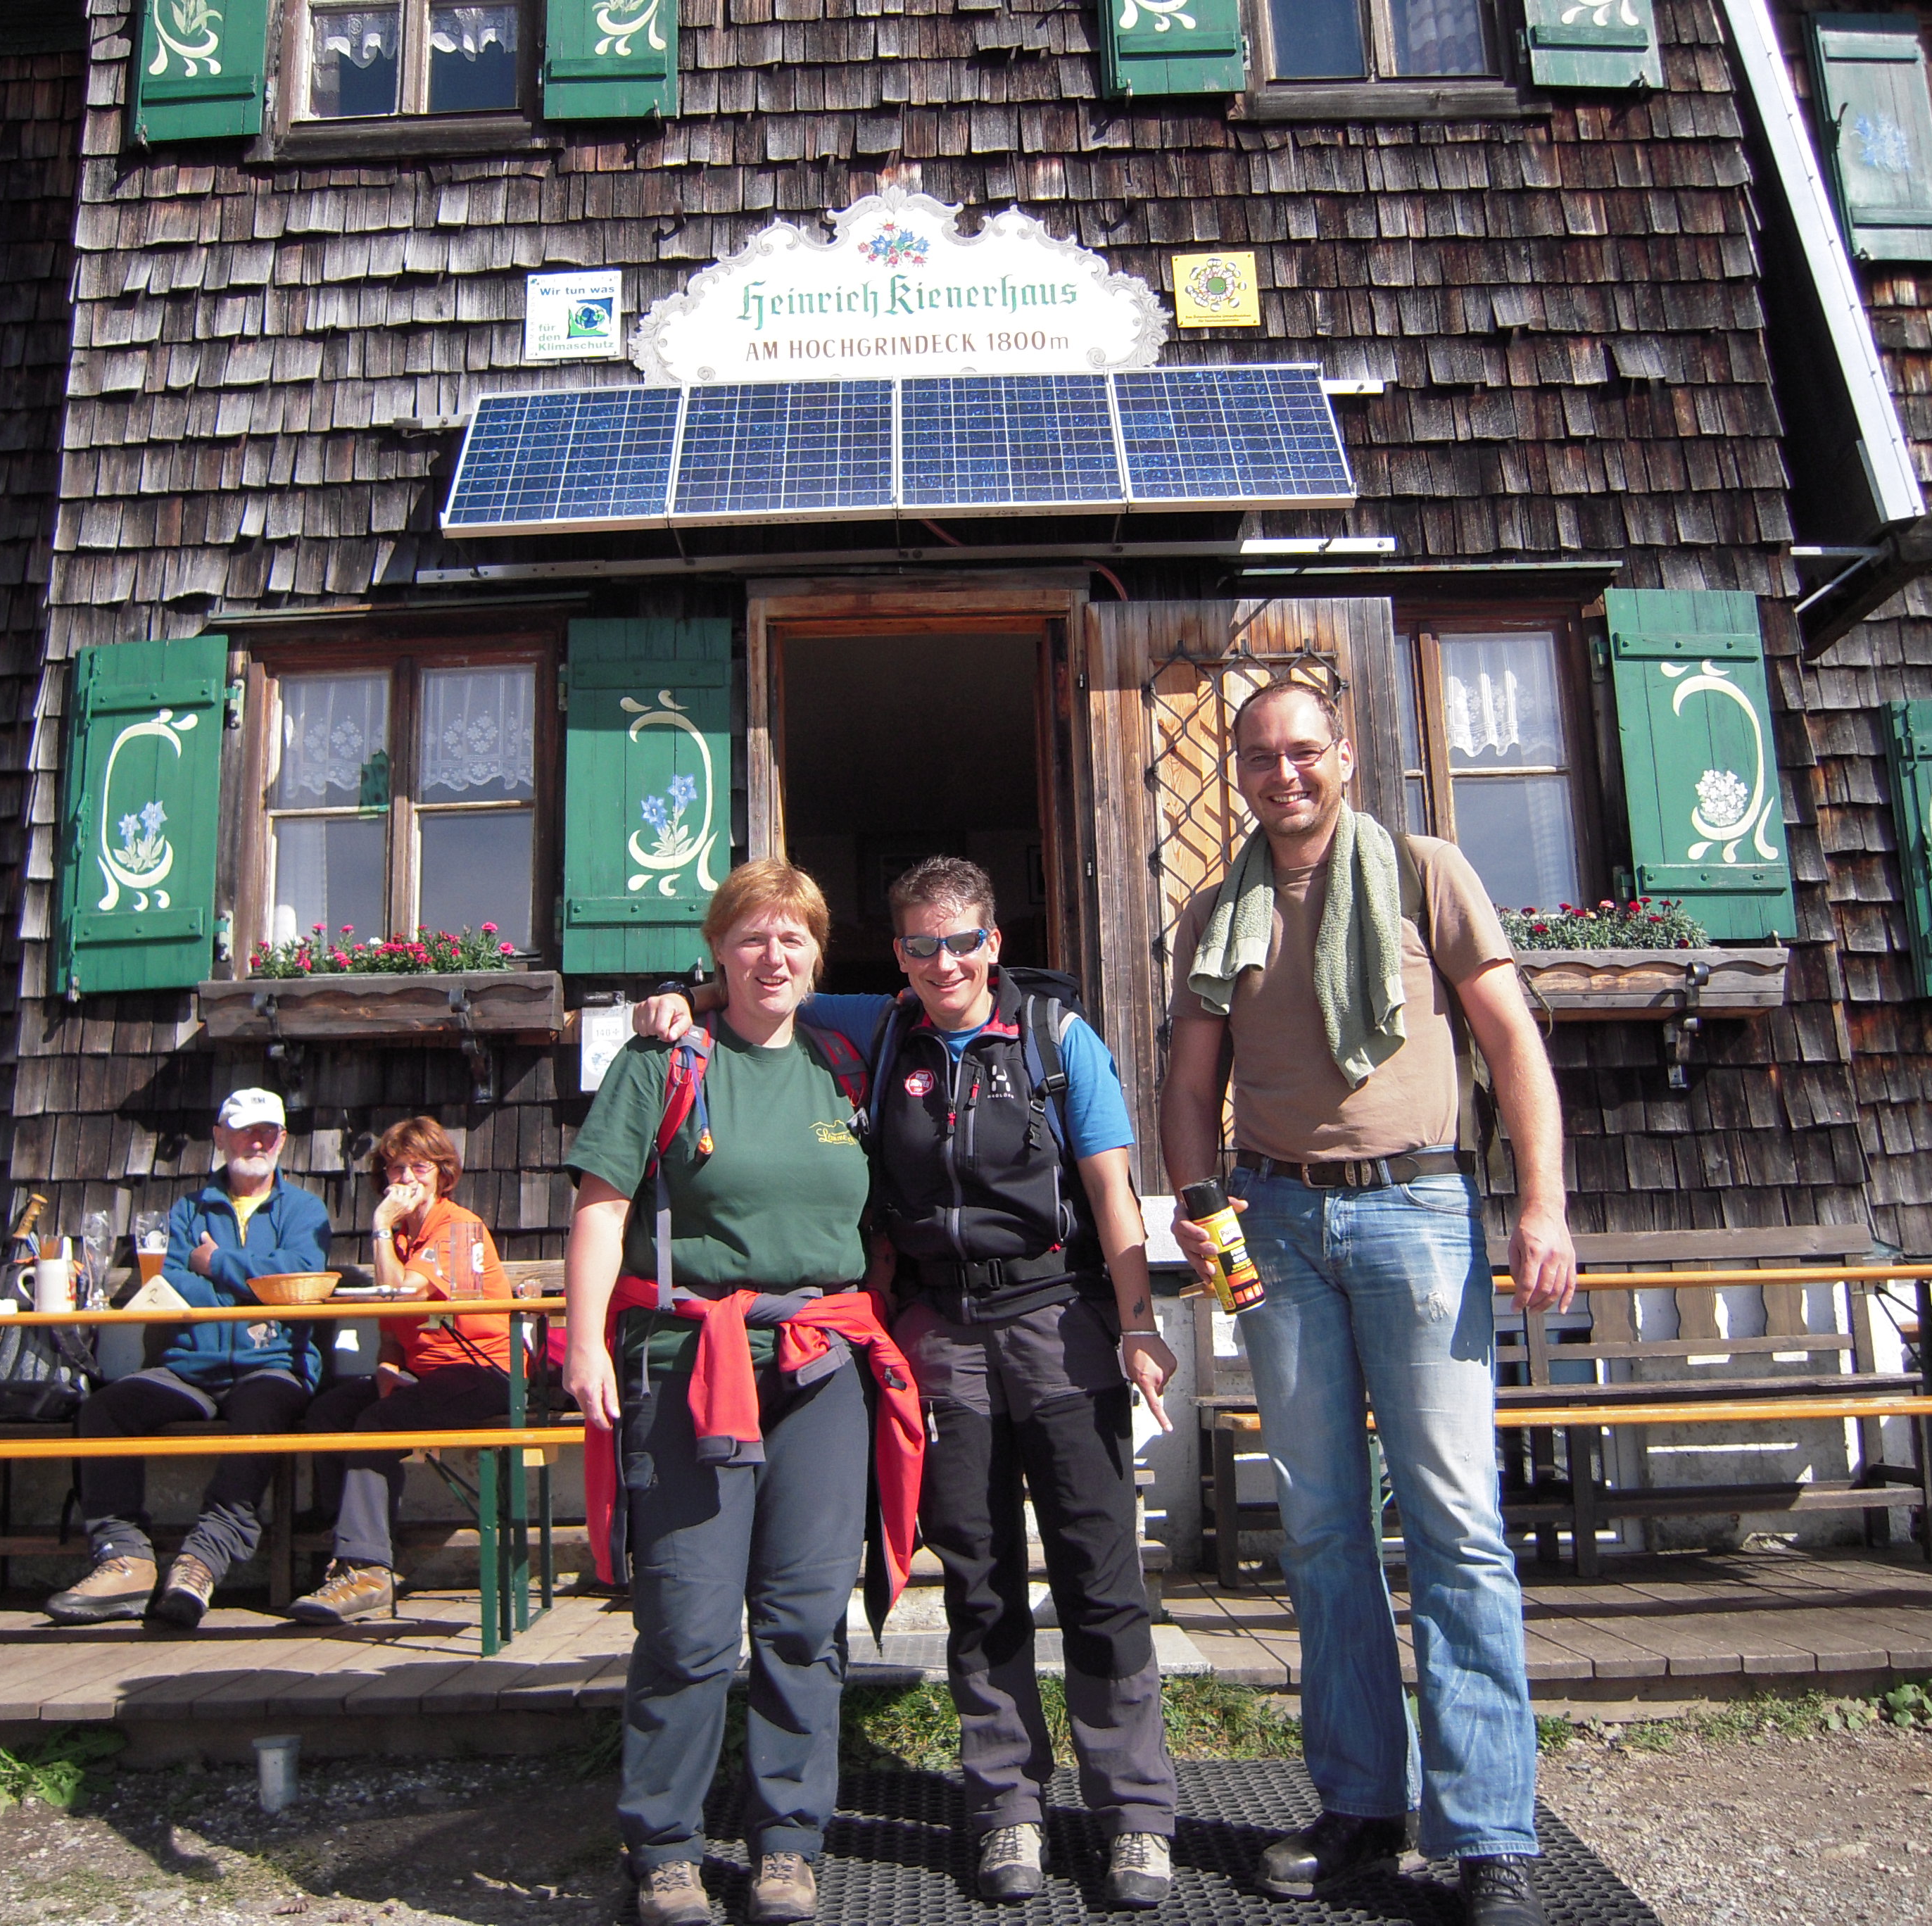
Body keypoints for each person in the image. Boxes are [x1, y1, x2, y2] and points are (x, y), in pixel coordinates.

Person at [637, 855, 1182, 1909]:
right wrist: (683, 994)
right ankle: (1006, 1812)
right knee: (979, 1582)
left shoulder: (1059, 1042)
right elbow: (767, 968)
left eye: (963, 943)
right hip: (942, 1332)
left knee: (1098, 1574)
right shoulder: (883, 1032)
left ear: (995, 944)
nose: (945, 964)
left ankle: (1134, 1817)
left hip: (1061, 1323)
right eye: (922, 947)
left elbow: (1114, 1193)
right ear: (898, 955)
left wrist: (1140, 1324)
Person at [1161, 681, 1577, 1926]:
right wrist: (1196, 1192)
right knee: (1325, 1530)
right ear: (1235, 771)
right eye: (1259, 756)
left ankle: (1490, 1836)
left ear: (1341, 756)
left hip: (1421, 1217)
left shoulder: (1420, 869)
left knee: (1453, 1522)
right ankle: (1356, 1812)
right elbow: (1190, 1083)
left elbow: (1510, 1042)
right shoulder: (1212, 912)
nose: (1282, 772)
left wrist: (1541, 1205)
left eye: (1302, 751)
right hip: (1275, 1227)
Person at [564, 859, 923, 1926]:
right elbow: (598, 1206)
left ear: (820, 954)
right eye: (753, 938)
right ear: (719, 951)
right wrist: (584, 1342)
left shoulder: (845, 1058)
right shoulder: (663, 1058)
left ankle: (786, 1844)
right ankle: (665, 1844)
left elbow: (949, 991)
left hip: (822, 1367)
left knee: (806, 1620)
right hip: (689, 1365)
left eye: (795, 938)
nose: (776, 956)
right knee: (685, 1621)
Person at [44, 1086, 334, 1628]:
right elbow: (172, 1283)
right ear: (219, 1137)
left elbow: (294, 1278)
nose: (258, 1141)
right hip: (190, 1367)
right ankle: (124, 1558)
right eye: (246, 1131)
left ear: (283, 1140)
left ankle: (202, 1559)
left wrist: (216, 1262)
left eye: (268, 1132)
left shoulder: (306, 1209)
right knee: (105, 1409)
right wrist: (248, 1283)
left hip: (272, 1364)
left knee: (262, 1412)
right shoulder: (187, 1209)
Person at [290, 1116, 514, 1625]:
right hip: (427, 1374)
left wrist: (378, 1226)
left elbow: (401, 1294)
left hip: (485, 1372)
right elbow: (391, 1327)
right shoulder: (398, 1242)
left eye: (420, 1167)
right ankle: (345, 1543)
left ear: (442, 1174)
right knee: (329, 1411)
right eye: (397, 1169)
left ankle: (367, 1569)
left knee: (377, 1425)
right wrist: (388, 1367)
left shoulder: (456, 1227)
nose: (408, 1180)